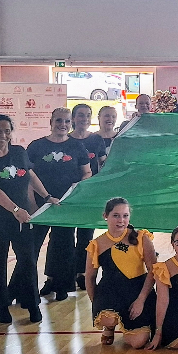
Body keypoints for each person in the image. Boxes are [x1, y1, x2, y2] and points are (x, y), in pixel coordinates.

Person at [0, 114, 60, 324]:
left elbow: (30, 176)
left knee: (27, 260)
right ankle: (1, 306)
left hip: (22, 218)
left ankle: (32, 303)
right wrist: (15, 209)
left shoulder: (19, 152)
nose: (2, 135)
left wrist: (46, 196)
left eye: (7, 131)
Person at [27, 107, 92, 300]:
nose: (63, 125)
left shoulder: (77, 147)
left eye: (66, 121)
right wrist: (32, 203)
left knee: (63, 246)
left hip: (65, 206)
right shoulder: (36, 146)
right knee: (31, 248)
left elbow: (87, 172)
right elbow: (28, 177)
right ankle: (24, 290)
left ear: (71, 123)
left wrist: (78, 187)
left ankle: (61, 286)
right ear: (51, 122)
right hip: (41, 204)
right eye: (58, 120)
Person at [85, 197, 157, 347]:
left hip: (137, 290)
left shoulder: (142, 238)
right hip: (110, 289)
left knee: (137, 343)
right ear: (105, 216)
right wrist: (97, 303)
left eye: (125, 216)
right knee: (107, 318)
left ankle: (131, 323)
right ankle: (109, 326)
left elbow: (153, 271)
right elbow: (90, 278)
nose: (121, 220)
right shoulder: (97, 244)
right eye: (116, 215)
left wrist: (141, 300)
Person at [69, 104, 107, 291]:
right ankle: (61, 276)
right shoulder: (66, 140)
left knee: (86, 236)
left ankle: (82, 273)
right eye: (80, 115)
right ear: (73, 118)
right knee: (65, 237)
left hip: (90, 195)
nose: (84, 119)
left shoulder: (97, 139)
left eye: (87, 115)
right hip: (68, 196)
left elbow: (103, 164)